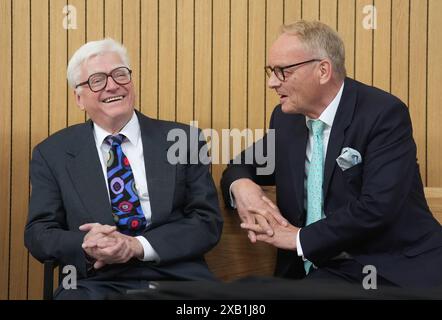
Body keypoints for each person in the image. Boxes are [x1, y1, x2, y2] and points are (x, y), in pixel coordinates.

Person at [221, 20, 442, 288]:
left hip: (389, 268)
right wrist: (241, 186)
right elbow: (242, 165)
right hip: (319, 273)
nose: (271, 82)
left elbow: (377, 207)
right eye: (270, 71)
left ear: (323, 70)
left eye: (282, 71)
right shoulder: (286, 119)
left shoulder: (383, 114)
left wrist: (299, 239)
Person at [25, 38, 223, 299]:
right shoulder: (52, 153)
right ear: (79, 98)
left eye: (120, 74)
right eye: (97, 80)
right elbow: (39, 233)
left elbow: (206, 221)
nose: (112, 85)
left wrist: (137, 246)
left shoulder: (183, 140)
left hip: (177, 273)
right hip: (93, 279)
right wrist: (86, 245)